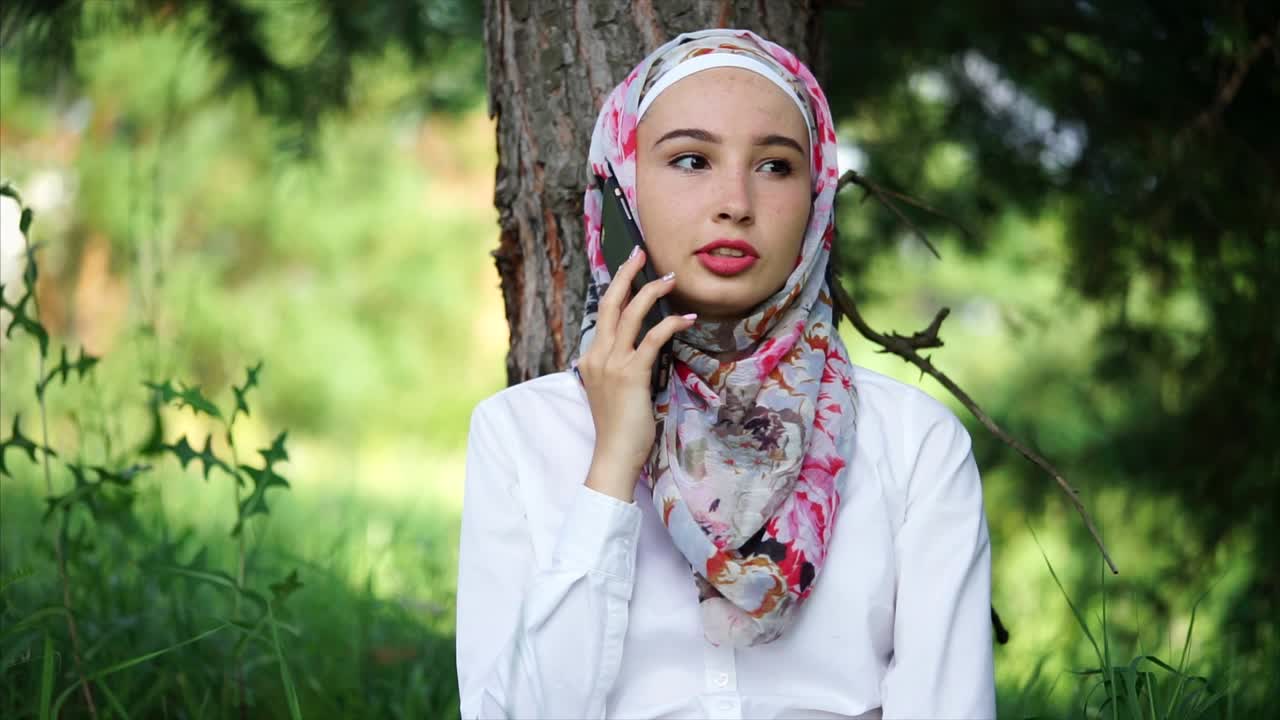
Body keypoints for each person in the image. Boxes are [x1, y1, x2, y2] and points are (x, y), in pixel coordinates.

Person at [455, 28, 996, 719]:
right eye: (690, 160)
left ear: (817, 200)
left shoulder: (915, 444)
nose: (735, 202)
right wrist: (613, 466)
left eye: (775, 166)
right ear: (620, 191)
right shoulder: (522, 433)